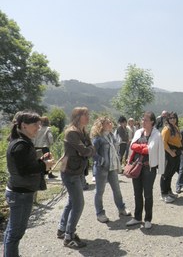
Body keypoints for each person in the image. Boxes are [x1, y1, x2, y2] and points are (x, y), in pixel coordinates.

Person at [3, 111, 55, 257]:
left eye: (39, 124)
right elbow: (24, 170)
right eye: (35, 125)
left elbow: (25, 164)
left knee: (12, 231)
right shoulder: (21, 144)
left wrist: (40, 159)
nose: (38, 128)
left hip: (19, 191)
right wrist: (44, 165)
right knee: (15, 233)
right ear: (24, 125)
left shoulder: (20, 141)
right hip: (20, 194)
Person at [58, 107, 95, 249]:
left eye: (88, 114)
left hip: (77, 171)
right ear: (77, 116)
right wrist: (86, 151)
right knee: (78, 204)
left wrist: (87, 151)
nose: (88, 117)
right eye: (85, 115)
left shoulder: (83, 131)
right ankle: (69, 237)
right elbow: (86, 150)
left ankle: (62, 229)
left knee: (71, 202)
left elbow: (89, 149)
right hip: (70, 172)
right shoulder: (72, 132)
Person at [126, 111, 165, 229]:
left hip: (149, 168)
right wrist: (141, 147)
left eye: (146, 120)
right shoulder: (138, 132)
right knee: (137, 193)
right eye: (143, 119)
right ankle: (137, 217)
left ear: (152, 122)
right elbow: (132, 146)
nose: (143, 121)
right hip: (136, 166)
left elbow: (149, 150)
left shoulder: (157, 134)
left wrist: (140, 148)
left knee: (147, 194)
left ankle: (148, 218)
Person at [90, 117, 131, 223]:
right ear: (102, 125)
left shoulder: (111, 135)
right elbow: (92, 153)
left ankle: (121, 208)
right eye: (108, 122)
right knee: (100, 191)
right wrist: (101, 161)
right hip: (102, 169)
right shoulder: (98, 138)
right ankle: (100, 213)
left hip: (112, 168)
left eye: (110, 122)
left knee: (117, 189)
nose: (111, 123)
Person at [160, 111, 182, 203]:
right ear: (168, 119)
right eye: (170, 118)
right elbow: (163, 142)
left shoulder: (175, 127)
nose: (172, 119)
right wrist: (170, 151)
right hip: (169, 153)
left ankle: (168, 191)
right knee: (165, 174)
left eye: (174, 118)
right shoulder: (167, 129)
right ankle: (163, 194)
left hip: (176, 152)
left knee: (170, 173)